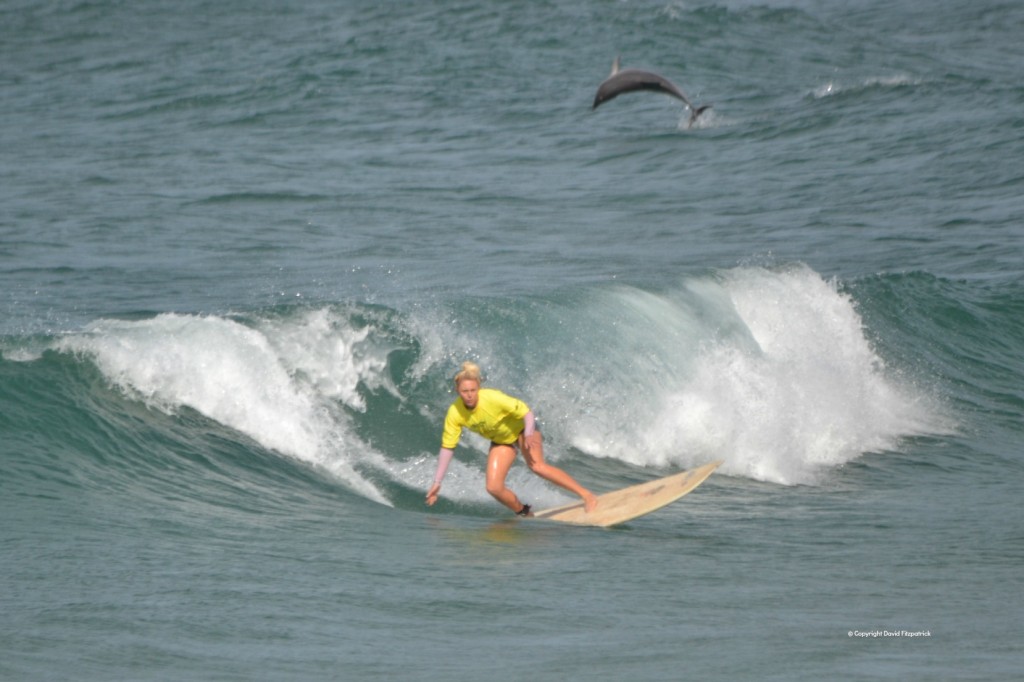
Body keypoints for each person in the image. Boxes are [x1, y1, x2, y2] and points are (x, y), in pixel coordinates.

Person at [425, 362, 598, 516]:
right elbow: (448, 448)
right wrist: (437, 482)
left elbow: (526, 412)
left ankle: (586, 495)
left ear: (479, 388)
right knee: (493, 487)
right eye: (465, 391)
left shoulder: (492, 398)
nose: (469, 395)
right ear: (457, 391)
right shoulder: (455, 413)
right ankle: (524, 512)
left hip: (523, 430)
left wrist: (529, 433)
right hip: (502, 441)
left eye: (473, 390)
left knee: (537, 466)